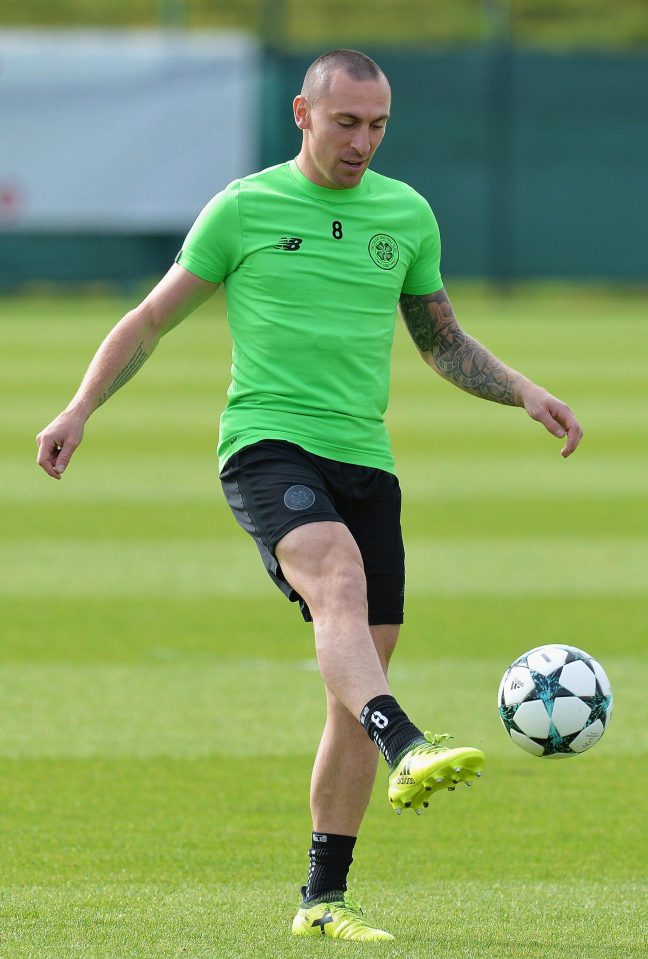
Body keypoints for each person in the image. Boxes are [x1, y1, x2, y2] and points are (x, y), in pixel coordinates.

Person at [36, 49, 583, 942]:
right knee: (334, 577)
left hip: (366, 462)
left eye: (377, 126)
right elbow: (148, 319)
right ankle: (406, 740)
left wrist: (521, 387)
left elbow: (441, 340)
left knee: (348, 682)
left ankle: (322, 900)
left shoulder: (405, 215)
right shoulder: (245, 207)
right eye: (346, 123)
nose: (362, 142)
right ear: (302, 112)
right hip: (266, 445)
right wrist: (79, 406)